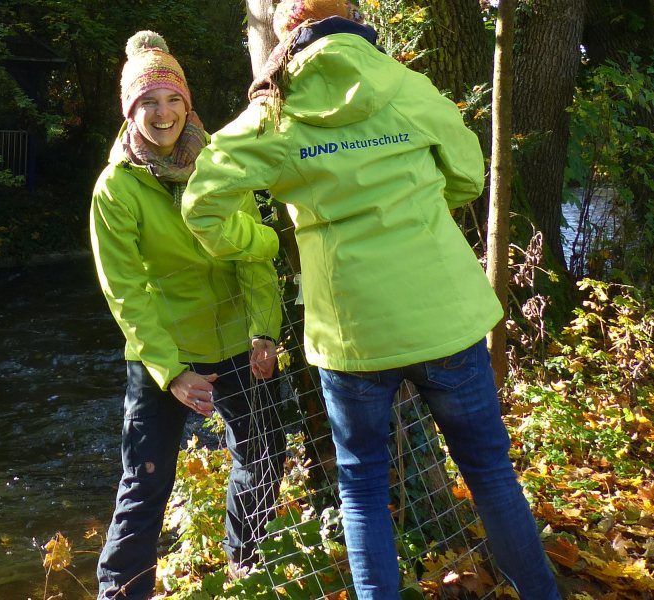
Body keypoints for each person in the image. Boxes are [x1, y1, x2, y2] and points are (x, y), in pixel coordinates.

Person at [180, 1, 562, 598]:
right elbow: (467, 171)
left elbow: (200, 201)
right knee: (491, 476)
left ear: (288, 32)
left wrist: (254, 242)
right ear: (355, 17)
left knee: (362, 491)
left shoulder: (273, 114)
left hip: (351, 332)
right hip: (445, 314)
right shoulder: (406, 86)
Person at [91, 30, 287, 600]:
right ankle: (121, 593)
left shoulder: (220, 166)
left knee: (263, 456)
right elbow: (126, 293)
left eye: (172, 99)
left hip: (235, 340)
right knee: (145, 485)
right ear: (130, 110)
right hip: (163, 356)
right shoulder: (115, 189)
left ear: (188, 103)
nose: (162, 113)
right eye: (147, 102)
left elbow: (253, 256)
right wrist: (172, 372)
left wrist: (265, 330)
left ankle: (244, 570)